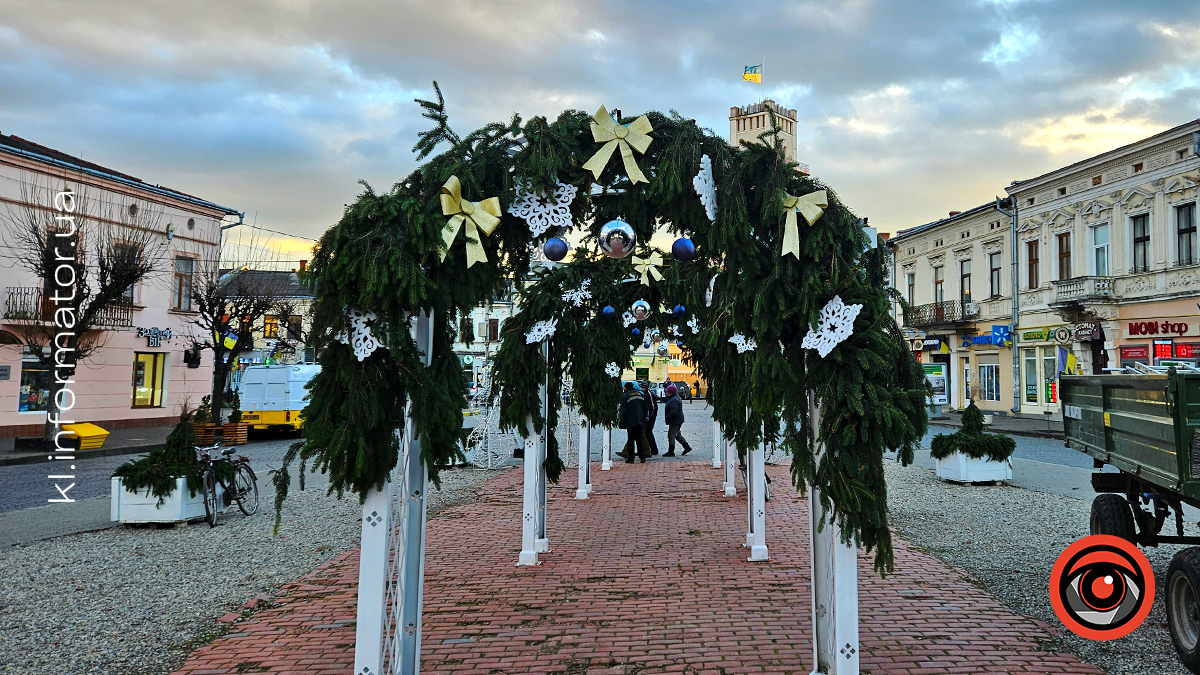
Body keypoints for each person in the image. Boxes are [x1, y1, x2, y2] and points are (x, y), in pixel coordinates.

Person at [617, 381, 650, 463]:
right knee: (639, 438)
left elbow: (623, 410)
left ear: (625, 388)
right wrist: (643, 418)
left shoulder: (625, 396)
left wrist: (622, 419)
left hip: (630, 420)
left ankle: (631, 458)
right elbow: (646, 408)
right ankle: (642, 457)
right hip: (639, 420)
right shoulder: (641, 394)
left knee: (631, 439)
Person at [663, 384, 693, 456]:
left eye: (667, 392)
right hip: (677, 420)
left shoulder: (674, 400)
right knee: (677, 434)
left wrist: (668, 418)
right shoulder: (675, 398)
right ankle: (687, 447)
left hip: (675, 421)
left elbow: (674, 411)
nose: (666, 393)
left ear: (671, 392)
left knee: (671, 435)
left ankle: (671, 451)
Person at [642, 380, 660, 456]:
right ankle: (654, 449)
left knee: (647, 433)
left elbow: (653, 407)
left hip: (650, 416)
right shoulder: (644, 393)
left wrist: (649, 416)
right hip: (648, 416)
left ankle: (647, 450)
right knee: (648, 432)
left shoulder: (649, 394)